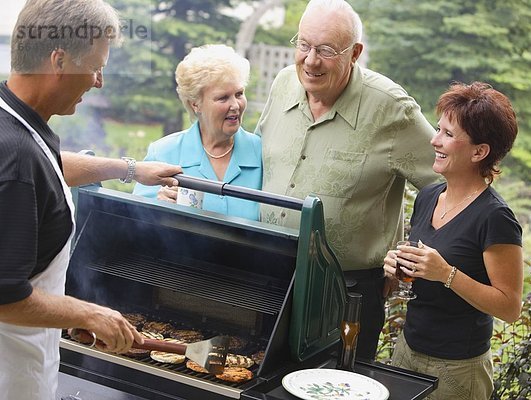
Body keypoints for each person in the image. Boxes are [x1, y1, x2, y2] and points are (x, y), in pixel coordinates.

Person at [0, 1, 182, 399]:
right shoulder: (13, 157)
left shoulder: (13, 120)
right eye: (96, 66)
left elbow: (47, 167)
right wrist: (91, 313)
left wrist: (130, 170)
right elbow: (4, 295)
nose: (99, 81)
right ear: (59, 60)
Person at [255, 0, 438, 361]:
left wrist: (408, 253)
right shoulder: (281, 84)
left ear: (354, 53)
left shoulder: (390, 108)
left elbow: (446, 185)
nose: (310, 61)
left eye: (325, 50)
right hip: (269, 275)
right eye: (304, 45)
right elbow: (255, 161)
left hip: (345, 294)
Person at [383, 81, 523, 399]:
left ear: (479, 152)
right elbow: (415, 277)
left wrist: (447, 274)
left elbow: (510, 307)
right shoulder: (429, 195)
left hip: (459, 370)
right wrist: (395, 268)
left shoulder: (495, 217)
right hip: (406, 351)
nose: (434, 140)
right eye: (438, 129)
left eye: (448, 134)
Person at [133, 44, 262, 220]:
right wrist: (157, 206)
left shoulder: (261, 153)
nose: (235, 105)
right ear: (196, 104)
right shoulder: (164, 153)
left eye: (239, 94)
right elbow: (136, 224)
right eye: (223, 97)